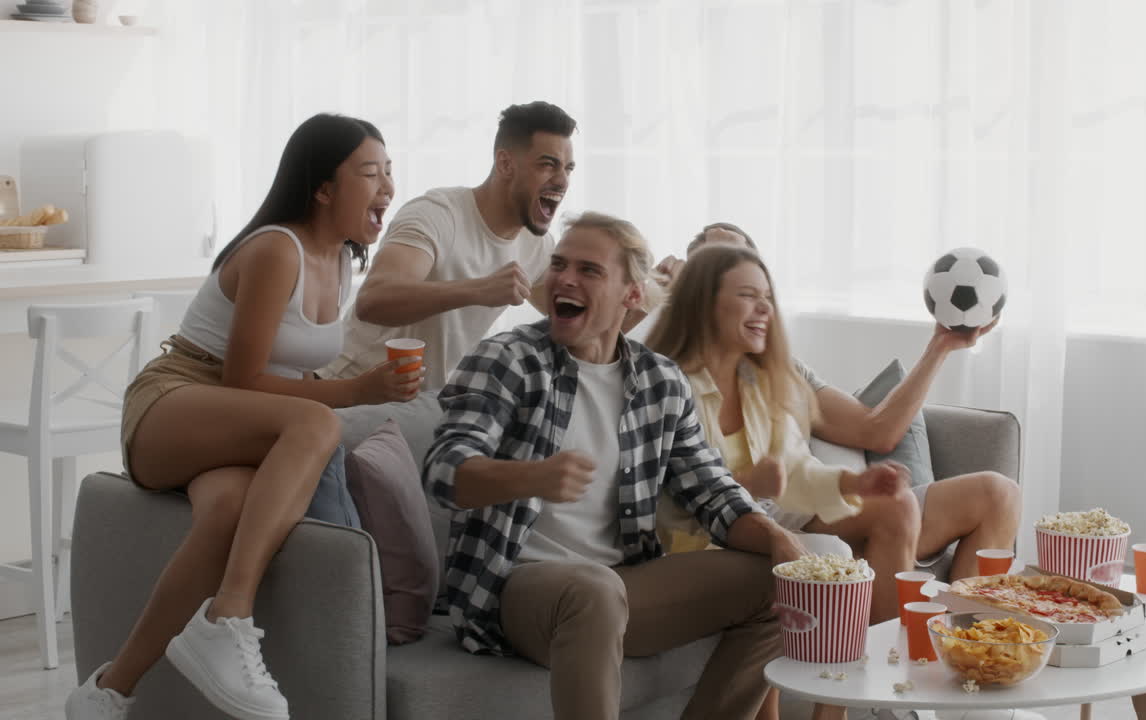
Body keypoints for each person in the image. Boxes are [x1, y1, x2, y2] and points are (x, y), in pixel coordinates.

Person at [65, 114, 421, 720]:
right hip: (176, 397)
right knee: (317, 425)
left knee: (230, 513)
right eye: (369, 172)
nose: (387, 185)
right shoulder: (276, 249)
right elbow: (242, 381)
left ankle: (106, 692)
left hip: (232, 421)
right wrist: (359, 390)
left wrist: (359, 388)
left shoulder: (340, 262)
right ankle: (227, 616)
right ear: (323, 187)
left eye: (390, 171)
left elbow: (285, 381)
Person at [422, 211, 809, 720]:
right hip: (515, 589)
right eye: (560, 264)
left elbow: (712, 491)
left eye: (589, 270)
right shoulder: (509, 359)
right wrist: (531, 476)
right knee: (594, 590)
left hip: (620, 586)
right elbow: (444, 470)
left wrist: (783, 544)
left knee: (782, 579)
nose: (565, 279)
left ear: (632, 295)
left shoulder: (660, 382)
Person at [660, 227, 1021, 584]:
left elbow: (875, 432)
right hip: (741, 526)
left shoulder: (778, 371)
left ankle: (968, 638)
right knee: (878, 522)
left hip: (807, 509)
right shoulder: (662, 376)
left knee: (999, 494)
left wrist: (940, 346)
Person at [323, 101, 577, 390]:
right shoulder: (437, 214)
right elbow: (374, 301)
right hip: (346, 388)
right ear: (505, 163)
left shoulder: (538, 246)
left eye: (568, 168)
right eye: (548, 165)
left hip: (424, 403)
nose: (562, 180)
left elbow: (574, 319)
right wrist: (479, 289)